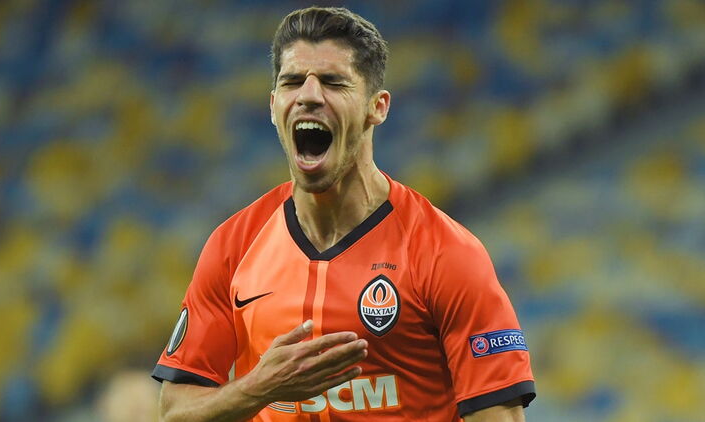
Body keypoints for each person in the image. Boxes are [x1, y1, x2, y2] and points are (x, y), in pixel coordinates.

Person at [153, 6, 535, 421]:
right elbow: (175, 412)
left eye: (333, 82)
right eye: (292, 82)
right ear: (274, 105)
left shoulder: (444, 252)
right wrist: (258, 388)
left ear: (377, 107)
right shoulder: (234, 245)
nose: (309, 95)